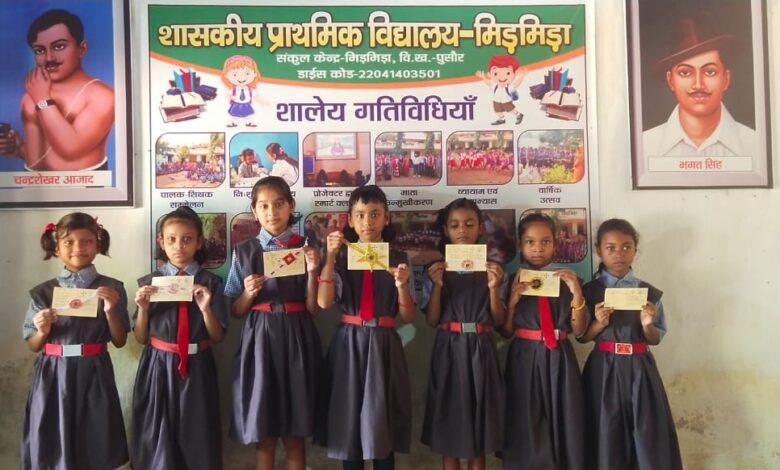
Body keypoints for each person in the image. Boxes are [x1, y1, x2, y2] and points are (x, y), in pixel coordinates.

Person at [225, 176, 323, 470]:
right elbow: (235, 311)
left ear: (291, 206)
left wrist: (313, 271)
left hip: (297, 336)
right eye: (264, 206)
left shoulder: (306, 248)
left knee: (295, 434)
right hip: (260, 340)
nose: (272, 212)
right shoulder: (244, 250)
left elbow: (313, 309)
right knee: (264, 434)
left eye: (279, 204)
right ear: (254, 211)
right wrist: (248, 293)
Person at [316, 185, 415, 470]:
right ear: (349, 219)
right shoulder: (341, 257)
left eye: (374, 214)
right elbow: (323, 302)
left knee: (382, 417)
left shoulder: (398, 258)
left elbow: (408, 317)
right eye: (359, 215)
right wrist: (330, 256)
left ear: (387, 217)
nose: (367, 222)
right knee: (348, 418)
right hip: (348, 344)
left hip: (384, 344)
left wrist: (402, 285)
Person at [21, 212, 129, 469]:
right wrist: (42, 330)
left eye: (87, 241)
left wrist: (110, 311)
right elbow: (33, 345)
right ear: (56, 247)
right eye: (68, 242)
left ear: (98, 245)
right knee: (53, 440)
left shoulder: (112, 288)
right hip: (53, 374)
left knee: (96, 437)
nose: (78, 248)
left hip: (94, 371)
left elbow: (120, 340)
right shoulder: (43, 292)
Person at [578, 219, 682, 470]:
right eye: (611, 248)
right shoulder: (589, 291)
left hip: (640, 368)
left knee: (646, 431)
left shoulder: (648, 292)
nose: (619, 254)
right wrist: (599, 324)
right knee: (606, 430)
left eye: (626, 247)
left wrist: (647, 323)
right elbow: (582, 336)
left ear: (635, 250)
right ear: (598, 250)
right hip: (603, 368)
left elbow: (654, 338)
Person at [131, 206, 227, 470]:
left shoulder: (211, 283)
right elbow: (140, 337)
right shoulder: (150, 283)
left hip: (198, 366)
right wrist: (143, 309)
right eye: (171, 239)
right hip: (157, 365)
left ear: (199, 242)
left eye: (187, 239)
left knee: (198, 433)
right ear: (161, 242)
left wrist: (206, 309)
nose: (179, 246)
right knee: (157, 433)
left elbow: (218, 336)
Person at [420, 198, 506, 470]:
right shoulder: (437, 269)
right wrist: (436, 285)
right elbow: (432, 320)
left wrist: (494, 288)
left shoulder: (493, 269)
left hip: (482, 348)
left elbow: (500, 321)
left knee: (478, 426)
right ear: (446, 230)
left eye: (469, 224)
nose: (462, 230)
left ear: (480, 227)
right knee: (450, 425)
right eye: (455, 225)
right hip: (449, 348)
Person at [501, 212, 587, 470]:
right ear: (520, 245)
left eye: (545, 242)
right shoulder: (510, 281)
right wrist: (512, 303)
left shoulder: (569, 280)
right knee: (525, 417)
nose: (538, 248)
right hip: (524, 357)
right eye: (530, 242)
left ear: (555, 244)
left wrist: (576, 292)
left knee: (564, 415)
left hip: (560, 357)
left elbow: (580, 331)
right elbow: (505, 331)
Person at [0, 9, 115, 171]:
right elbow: (40, 159)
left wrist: (42, 100)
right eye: (40, 50)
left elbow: (70, 149)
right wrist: (18, 150)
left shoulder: (102, 96)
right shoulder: (32, 94)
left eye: (59, 46)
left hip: (85, 184)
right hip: (35, 184)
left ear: (82, 49)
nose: (49, 58)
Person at [643, 13, 755, 158]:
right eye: (685, 72)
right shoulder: (645, 146)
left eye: (710, 72)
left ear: (726, 79)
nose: (698, 84)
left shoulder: (754, 145)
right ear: (670, 81)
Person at [476, 54, 528, 126]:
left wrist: (522, 76)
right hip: (496, 101)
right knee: (497, 111)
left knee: (510, 110)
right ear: (489, 74)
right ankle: (501, 119)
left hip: (506, 101)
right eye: (496, 73)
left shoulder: (509, 87)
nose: (501, 77)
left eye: (508, 73)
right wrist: (483, 78)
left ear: (515, 74)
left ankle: (519, 115)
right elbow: (488, 83)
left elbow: (516, 84)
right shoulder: (495, 85)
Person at [222, 54, 262, 127]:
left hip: (246, 104)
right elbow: (228, 95)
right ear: (226, 75)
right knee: (235, 115)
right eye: (235, 74)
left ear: (255, 74)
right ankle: (234, 123)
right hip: (237, 104)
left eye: (247, 73)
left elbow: (256, 96)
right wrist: (231, 98)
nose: (241, 77)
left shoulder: (250, 89)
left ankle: (248, 123)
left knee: (248, 115)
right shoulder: (234, 89)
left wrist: (262, 102)